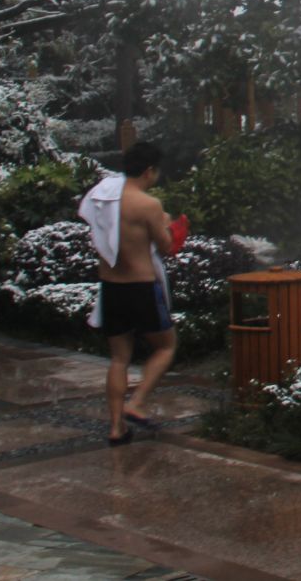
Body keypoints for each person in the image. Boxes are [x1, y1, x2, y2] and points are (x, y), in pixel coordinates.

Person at [80, 141, 179, 445]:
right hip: (141, 286)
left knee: (119, 358)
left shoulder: (102, 197)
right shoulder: (147, 205)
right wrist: (166, 224)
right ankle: (135, 403)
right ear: (149, 171)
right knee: (165, 346)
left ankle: (115, 427)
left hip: (111, 286)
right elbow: (166, 247)